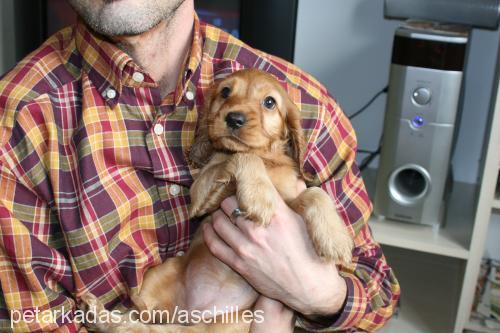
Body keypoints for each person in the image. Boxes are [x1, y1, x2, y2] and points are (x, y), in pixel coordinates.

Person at [0, 0, 400, 332]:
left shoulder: (309, 106)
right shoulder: (17, 124)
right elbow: (35, 320)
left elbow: (378, 294)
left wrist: (318, 295)